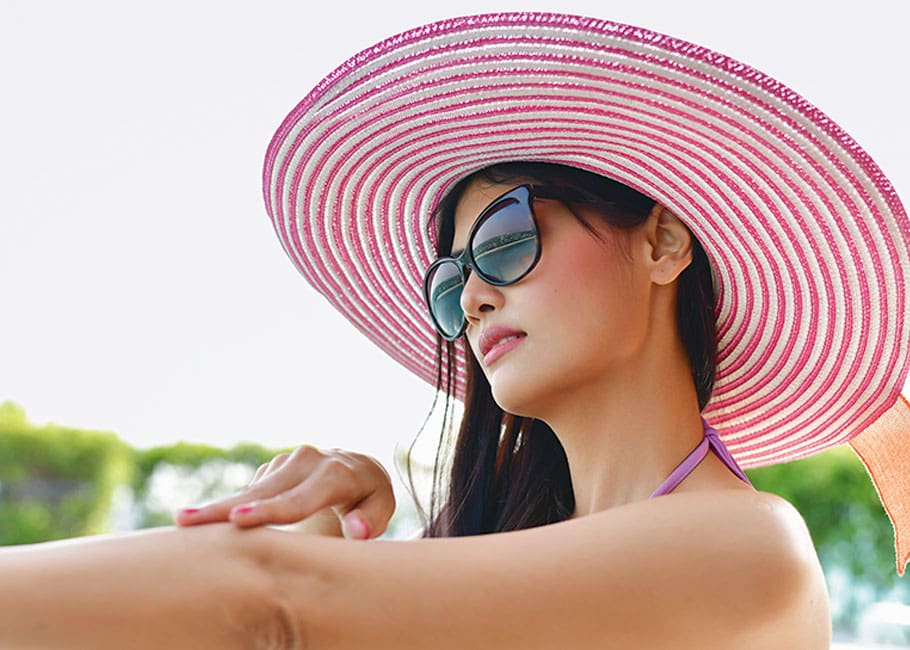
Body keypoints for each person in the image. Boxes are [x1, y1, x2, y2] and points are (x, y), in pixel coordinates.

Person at [1, 12, 907, 649]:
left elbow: (271, 611)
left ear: (665, 240)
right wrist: (315, 526)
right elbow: (278, 604)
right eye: (450, 276)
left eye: (507, 240)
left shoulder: (746, 547)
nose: (471, 297)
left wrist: (292, 569)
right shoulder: (499, 553)